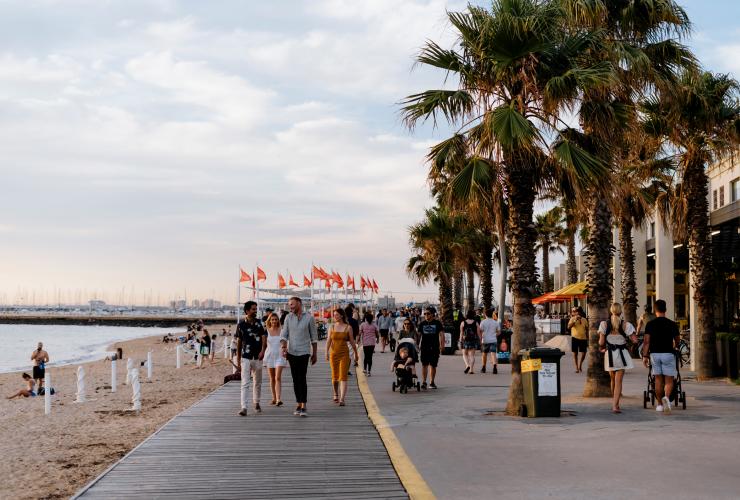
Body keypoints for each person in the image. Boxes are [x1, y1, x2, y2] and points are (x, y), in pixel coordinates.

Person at [280, 296, 318, 417]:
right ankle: (298, 403)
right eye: (289, 304)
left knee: (302, 378)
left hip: (304, 352)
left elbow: (314, 337)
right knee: (295, 379)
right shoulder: (288, 318)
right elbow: (284, 335)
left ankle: (304, 405)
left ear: (299, 304)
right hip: (292, 352)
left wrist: (315, 353)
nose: (290, 306)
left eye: (292, 304)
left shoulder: (309, 318)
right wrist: (284, 347)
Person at [641, 299, 680, 413]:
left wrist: (645, 356)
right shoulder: (672, 324)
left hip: (655, 354)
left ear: (655, 310)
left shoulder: (650, 324)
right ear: (665, 309)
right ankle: (666, 398)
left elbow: (646, 342)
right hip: (668, 353)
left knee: (658, 379)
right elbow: (677, 340)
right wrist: (675, 346)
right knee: (669, 380)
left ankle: (659, 405)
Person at [598, 303, 638, 414]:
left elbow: (601, 342)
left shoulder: (604, 324)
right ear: (621, 312)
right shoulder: (626, 325)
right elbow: (635, 340)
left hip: (609, 354)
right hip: (621, 355)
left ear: (611, 311)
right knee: (618, 381)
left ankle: (615, 403)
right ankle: (615, 405)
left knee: (613, 379)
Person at [236, 301, 267, 416]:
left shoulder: (260, 323)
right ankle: (244, 407)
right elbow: (239, 342)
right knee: (245, 382)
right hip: (246, 357)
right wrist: (238, 359)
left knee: (257, 382)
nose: (255, 311)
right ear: (247, 311)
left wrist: (263, 351)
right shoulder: (241, 325)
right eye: (253, 309)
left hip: (258, 356)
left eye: (256, 309)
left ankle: (256, 402)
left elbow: (264, 338)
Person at [325, 308, 358, 406]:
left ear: (342, 316)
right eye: (334, 315)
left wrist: (356, 353)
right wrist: (326, 352)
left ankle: (342, 398)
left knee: (343, 377)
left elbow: (352, 341)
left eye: (336, 315)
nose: (334, 316)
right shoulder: (332, 327)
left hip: (344, 354)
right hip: (333, 354)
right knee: (335, 377)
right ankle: (335, 393)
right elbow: (328, 340)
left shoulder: (348, 327)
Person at [417, 307, 445, 389]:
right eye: (425, 313)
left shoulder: (437, 323)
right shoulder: (422, 324)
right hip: (424, 347)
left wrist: (442, 345)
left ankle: (432, 382)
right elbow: (418, 336)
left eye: (428, 313)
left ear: (433, 314)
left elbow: (442, 335)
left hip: (434, 347)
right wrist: (416, 346)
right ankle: (424, 382)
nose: (426, 315)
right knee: (424, 365)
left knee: (433, 365)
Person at [263, 312, 287, 406]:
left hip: (280, 356)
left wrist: (285, 348)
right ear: (269, 321)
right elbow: (264, 345)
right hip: (269, 356)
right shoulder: (266, 330)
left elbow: (285, 342)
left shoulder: (282, 330)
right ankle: (273, 398)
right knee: (272, 378)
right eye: (272, 319)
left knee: (278, 377)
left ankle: (278, 399)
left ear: (278, 320)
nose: (274, 321)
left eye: (276, 319)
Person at [568, 306, 589, 373]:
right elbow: (568, 327)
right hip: (575, 337)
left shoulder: (584, 320)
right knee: (575, 354)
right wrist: (575, 320)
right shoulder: (572, 319)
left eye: (578, 312)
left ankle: (580, 365)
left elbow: (587, 329)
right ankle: (577, 368)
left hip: (583, 338)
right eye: (575, 312)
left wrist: (588, 338)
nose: (577, 313)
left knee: (584, 353)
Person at [480, 309, 500, 374]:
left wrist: (481, 338)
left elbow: (481, 331)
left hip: (485, 340)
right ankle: (494, 367)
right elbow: (499, 332)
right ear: (492, 314)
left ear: (485, 314)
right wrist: (495, 335)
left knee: (484, 354)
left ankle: (483, 367)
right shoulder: (495, 322)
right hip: (493, 340)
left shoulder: (483, 322)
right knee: (493, 354)